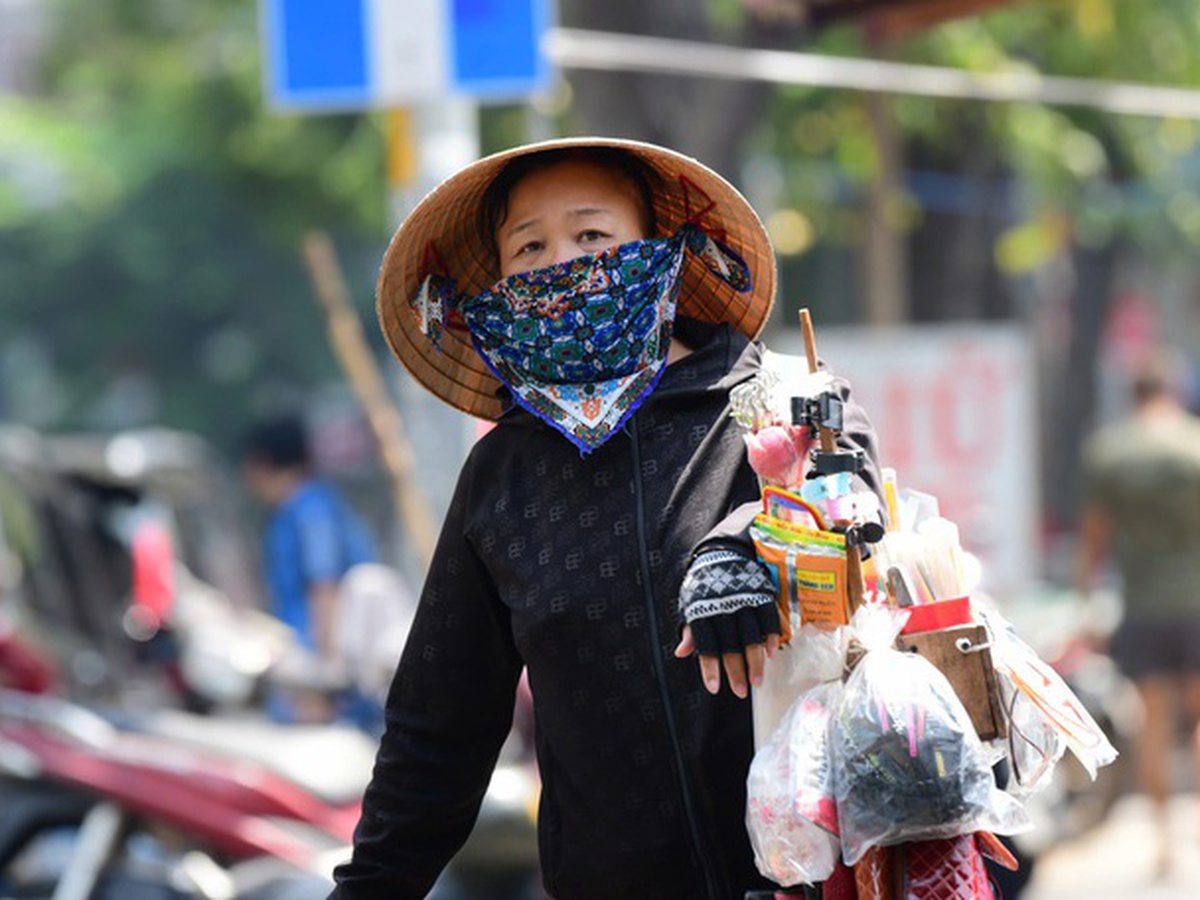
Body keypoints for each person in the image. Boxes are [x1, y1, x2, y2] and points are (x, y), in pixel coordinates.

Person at [329, 137, 880, 900]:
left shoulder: (785, 405)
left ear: (663, 251)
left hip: (815, 880)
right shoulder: (502, 479)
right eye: (530, 247)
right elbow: (436, 734)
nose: (563, 266)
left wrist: (748, 543)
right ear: (498, 284)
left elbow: (858, 517)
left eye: (593, 235)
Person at [1076, 349, 1200, 878]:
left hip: (1144, 605)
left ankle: (1166, 843)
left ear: (1134, 396)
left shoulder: (1113, 452)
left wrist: (1086, 601)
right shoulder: (1195, 445)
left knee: (1153, 721)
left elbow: (1096, 539)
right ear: (1170, 392)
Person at [242, 413, 380, 723]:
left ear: (262, 464)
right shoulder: (295, 510)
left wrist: (323, 680)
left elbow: (325, 587)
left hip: (331, 673)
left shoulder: (311, 511)